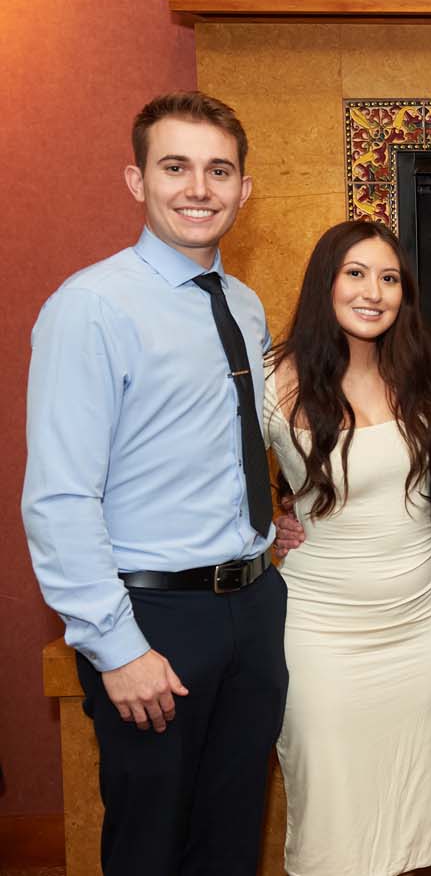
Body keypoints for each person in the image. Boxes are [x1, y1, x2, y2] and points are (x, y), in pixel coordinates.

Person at [22, 91, 286, 874]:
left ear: (245, 188)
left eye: (218, 170)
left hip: (253, 605)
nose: (198, 188)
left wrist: (272, 519)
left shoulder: (242, 302)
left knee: (232, 838)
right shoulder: (91, 307)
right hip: (155, 618)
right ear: (136, 180)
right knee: (150, 847)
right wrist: (116, 645)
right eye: (175, 167)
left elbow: (221, 438)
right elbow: (60, 496)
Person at [263, 219, 431, 874]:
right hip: (322, 629)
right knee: (331, 816)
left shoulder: (423, 377)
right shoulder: (274, 380)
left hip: (420, 622)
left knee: (407, 812)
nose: (373, 291)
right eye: (355, 273)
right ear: (326, 281)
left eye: (388, 278)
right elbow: (205, 480)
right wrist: (267, 529)